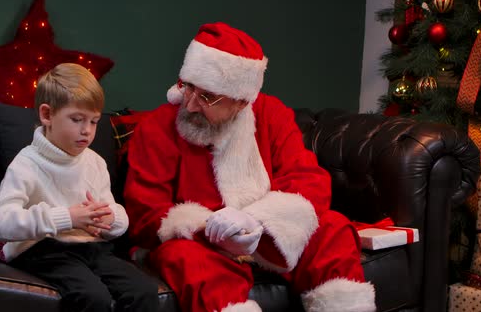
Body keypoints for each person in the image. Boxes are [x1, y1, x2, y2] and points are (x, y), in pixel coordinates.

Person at [124, 22, 376, 312]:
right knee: (184, 258)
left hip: (269, 239)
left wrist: (256, 221)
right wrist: (209, 229)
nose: (191, 104)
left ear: (242, 102)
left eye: (206, 96)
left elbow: (307, 178)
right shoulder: (158, 126)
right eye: (188, 86)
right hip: (202, 245)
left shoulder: (272, 114)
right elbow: (145, 212)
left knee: (332, 227)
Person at [0, 63, 159, 312]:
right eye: (77, 119)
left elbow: (114, 213)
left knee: (143, 291)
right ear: (47, 115)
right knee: (92, 296)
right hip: (43, 250)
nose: (87, 131)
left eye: (94, 121)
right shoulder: (27, 163)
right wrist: (67, 217)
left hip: (92, 248)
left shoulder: (95, 162)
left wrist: (109, 218)